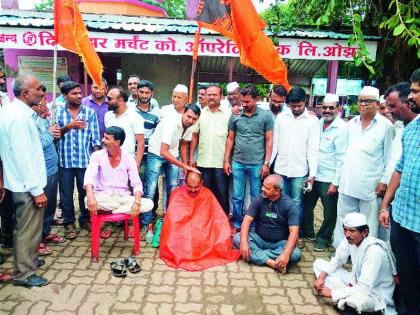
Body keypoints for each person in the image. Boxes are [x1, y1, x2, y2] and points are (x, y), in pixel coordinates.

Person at [0, 75, 48, 287]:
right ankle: (24, 274)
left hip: (22, 183)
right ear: (26, 93)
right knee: (27, 229)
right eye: (38, 89)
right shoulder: (18, 118)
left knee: (29, 228)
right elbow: (23, 158)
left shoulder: (15, 112)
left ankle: (29, 260)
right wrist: (37, 190)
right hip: (27, 185)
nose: (42, 92)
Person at [333, 86, 394, 247]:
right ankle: (343, 252)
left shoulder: (386, 126)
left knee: (368, 224)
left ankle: (367, 254)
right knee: (344, 220)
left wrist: (384, 181)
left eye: (367, 101)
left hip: (370, 186)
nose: (362, 104)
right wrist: (336, 181)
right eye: (360, 101)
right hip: (347, 183)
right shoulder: (351, 124)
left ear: (377, 103)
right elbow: (342, 155)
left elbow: (390, 157)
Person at [380, 68, 420, 315]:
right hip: (402, 218)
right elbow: (400, 168)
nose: (411, 97)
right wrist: (386, 205)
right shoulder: (411, 130)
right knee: (407, 280)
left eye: (415, 91)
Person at [313, 213, 397, 315]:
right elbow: (338, 259)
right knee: (319, 264)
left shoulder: (374, 252)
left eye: (352, 230)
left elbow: (364, 288)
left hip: (374, 295)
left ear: (364, 232)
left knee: (356, 301)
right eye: (345, 229)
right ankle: (343, 299)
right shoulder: (350, 239)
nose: (347, 234)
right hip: (356, 282)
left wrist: (332, 293)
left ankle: (345, 300)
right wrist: (321, 277)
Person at [160, 172, 240, 271]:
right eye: (190, 186)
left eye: (196, 187)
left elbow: (218, 219)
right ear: (185, 182)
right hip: (182, 236)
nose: (193, 190)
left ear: (201, 182)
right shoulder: (176, 194)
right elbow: (171, 223)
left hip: (203, 233)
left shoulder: (208, 194)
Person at [271, 86, 319, 248]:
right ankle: (282, 233)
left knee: (297, 203)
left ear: (305, 102)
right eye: (293, 106)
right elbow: (275, 144)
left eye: (299, 106)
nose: (296, 109)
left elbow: (313, 148)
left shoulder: (312, 120)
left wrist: (312, 174)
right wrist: (267, 165)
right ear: (288, 103)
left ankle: (295, 235)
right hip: (281, 168)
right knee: (281, 201)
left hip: (300, 170)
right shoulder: (281, 118)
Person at [224, 84, 273, 232]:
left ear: (256, 99)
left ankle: (254, 225)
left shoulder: (265, 116)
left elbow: (269, 140)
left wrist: (266, 164)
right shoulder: (236, 115)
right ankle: (238, 223)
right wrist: (226, 160)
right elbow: (230, 139)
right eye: (242, 101)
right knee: (237, 196)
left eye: (247, 102)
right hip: (237, 162)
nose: (244, 104)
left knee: (256, 196)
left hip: (257, 164)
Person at [302, 93, 348, 251]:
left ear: (338, 109)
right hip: (313, 174)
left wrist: (335, 183)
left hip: (329, 177)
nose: (327, 110)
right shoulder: (317, 122)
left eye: (331, 107)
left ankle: (323, 238)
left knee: (329, 212)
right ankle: (308, 232)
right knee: (307, 206)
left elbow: (342, 158)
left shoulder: (342, 128)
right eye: (325, 107)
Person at [143, 104, 201, 227]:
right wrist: (185, 166)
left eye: (194, 119)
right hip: (156, 153)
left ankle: (170, 220)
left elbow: (184, 145)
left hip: (173, 154)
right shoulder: (172, 123)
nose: (190, 120)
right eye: (188, 117)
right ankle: (145, 223)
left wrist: (186, 164)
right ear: (183, 113)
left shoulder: (190, 125)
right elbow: (163, 151)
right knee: (151, 189)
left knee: (173, 188)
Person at [56, 81, 101, 240]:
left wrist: (96, 161)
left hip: (84, 161)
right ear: (65, 96)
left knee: (85, 192)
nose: (79, 96)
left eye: (80, 93)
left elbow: (96, 139)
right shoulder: (58, 113)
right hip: (65, 161)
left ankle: (85, 219)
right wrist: (69, 126)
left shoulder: (89, 113)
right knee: (66, 194)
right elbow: (53, 136)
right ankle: (69, 223)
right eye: (74, 94)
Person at [233, 175, 301, 273]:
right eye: (263, 185)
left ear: (277, 191)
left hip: (279, 243)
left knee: (295, 254)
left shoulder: (289, 205)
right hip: (259, 238)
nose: (262, 189)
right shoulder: (259, 199)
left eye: (267, 188)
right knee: (238, 238)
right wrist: (244, 243)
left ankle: (257, 255)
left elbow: (294, 232)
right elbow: (246, 221)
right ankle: (272, 263)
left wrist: (286, 254)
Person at [84, 126, 153, 217]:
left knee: (149, 204)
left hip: (122, 197)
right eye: (104, 137)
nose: (102, 140)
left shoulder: (128, 158)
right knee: (87, 200)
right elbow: (89, 177)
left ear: (117, 142)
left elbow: (136, 184)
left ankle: (112, 212)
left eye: (107, 138)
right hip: (103, 196)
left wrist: (137, 202)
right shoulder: (97, 156)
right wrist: (90, 196)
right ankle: (122, 210)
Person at [189, 84, 231, 215]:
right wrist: (191, 158)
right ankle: (205, 219)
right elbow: (195, 135)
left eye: (215, 94)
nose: (211, 97)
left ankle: (223, 221)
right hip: (203, 161)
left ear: (221, 96)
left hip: (220, 163)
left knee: (222, 194)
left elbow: (231, 138)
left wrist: (227, 160)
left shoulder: (229, 115)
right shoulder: (200, 114)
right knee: (205, 193)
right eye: (209, 94)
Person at [32, 86, 64, 256]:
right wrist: (51, 134)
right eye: (41, 97)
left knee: (50, 203)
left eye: (45, 97)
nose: (44, 101)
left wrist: (53, 131)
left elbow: (52, 139)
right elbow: (36, 144)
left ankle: (45, 232)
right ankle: (37, 241)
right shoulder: (30, 120)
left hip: (52, 167)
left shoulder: (43, 118)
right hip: (41, 169)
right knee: (40, 207)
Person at [134, 80, 160, 211]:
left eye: (147, 92)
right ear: (136, 92)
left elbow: (157, 135)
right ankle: (133, 212)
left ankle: (150, 212)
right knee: (134, 183)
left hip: (149, 154)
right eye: (141, 92)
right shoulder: (130, 110)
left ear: (152, 94)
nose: (144, 95)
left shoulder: (156, 114)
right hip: (132, 153)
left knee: (150, 184)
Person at [104, 87, 145, 170]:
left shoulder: (135, 117)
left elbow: (140, 142)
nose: (106, 100)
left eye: (109, 98)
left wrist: (137, 164)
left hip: (127, 161)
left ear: (120, 100)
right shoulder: (108, 116)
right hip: (109, 161)